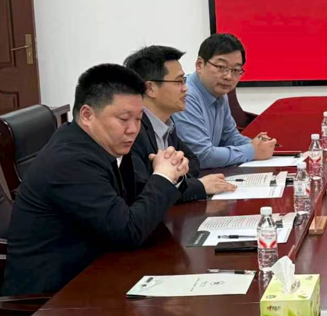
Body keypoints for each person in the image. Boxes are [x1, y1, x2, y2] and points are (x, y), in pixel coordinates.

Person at [2, 64, 189, 296]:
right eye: (124, 119)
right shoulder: (70, 162)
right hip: (51, 300)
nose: (133, 129)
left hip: (96, 272)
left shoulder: (99, 144)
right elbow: (129, 230)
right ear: (87, 115)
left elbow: (134, 201)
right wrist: (163, 177)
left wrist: (173, 173)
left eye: (139, 119)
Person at [124, 45, 236, 202]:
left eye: (184, 81)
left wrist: (175, 176)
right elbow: (142, 191)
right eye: (179, 81)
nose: (185, 89)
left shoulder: (166, 124)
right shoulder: (131, 132)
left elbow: (193, 161)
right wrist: (197, 186)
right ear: (150, 88)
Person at [172, 33, 276, 168]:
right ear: (199, 65)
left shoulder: (220, 93)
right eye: (221, 67)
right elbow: (201, 156)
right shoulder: (185, 95)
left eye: (236, 70)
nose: (228, 76)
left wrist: (257, 145)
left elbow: (229, 137)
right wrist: (252, 151)